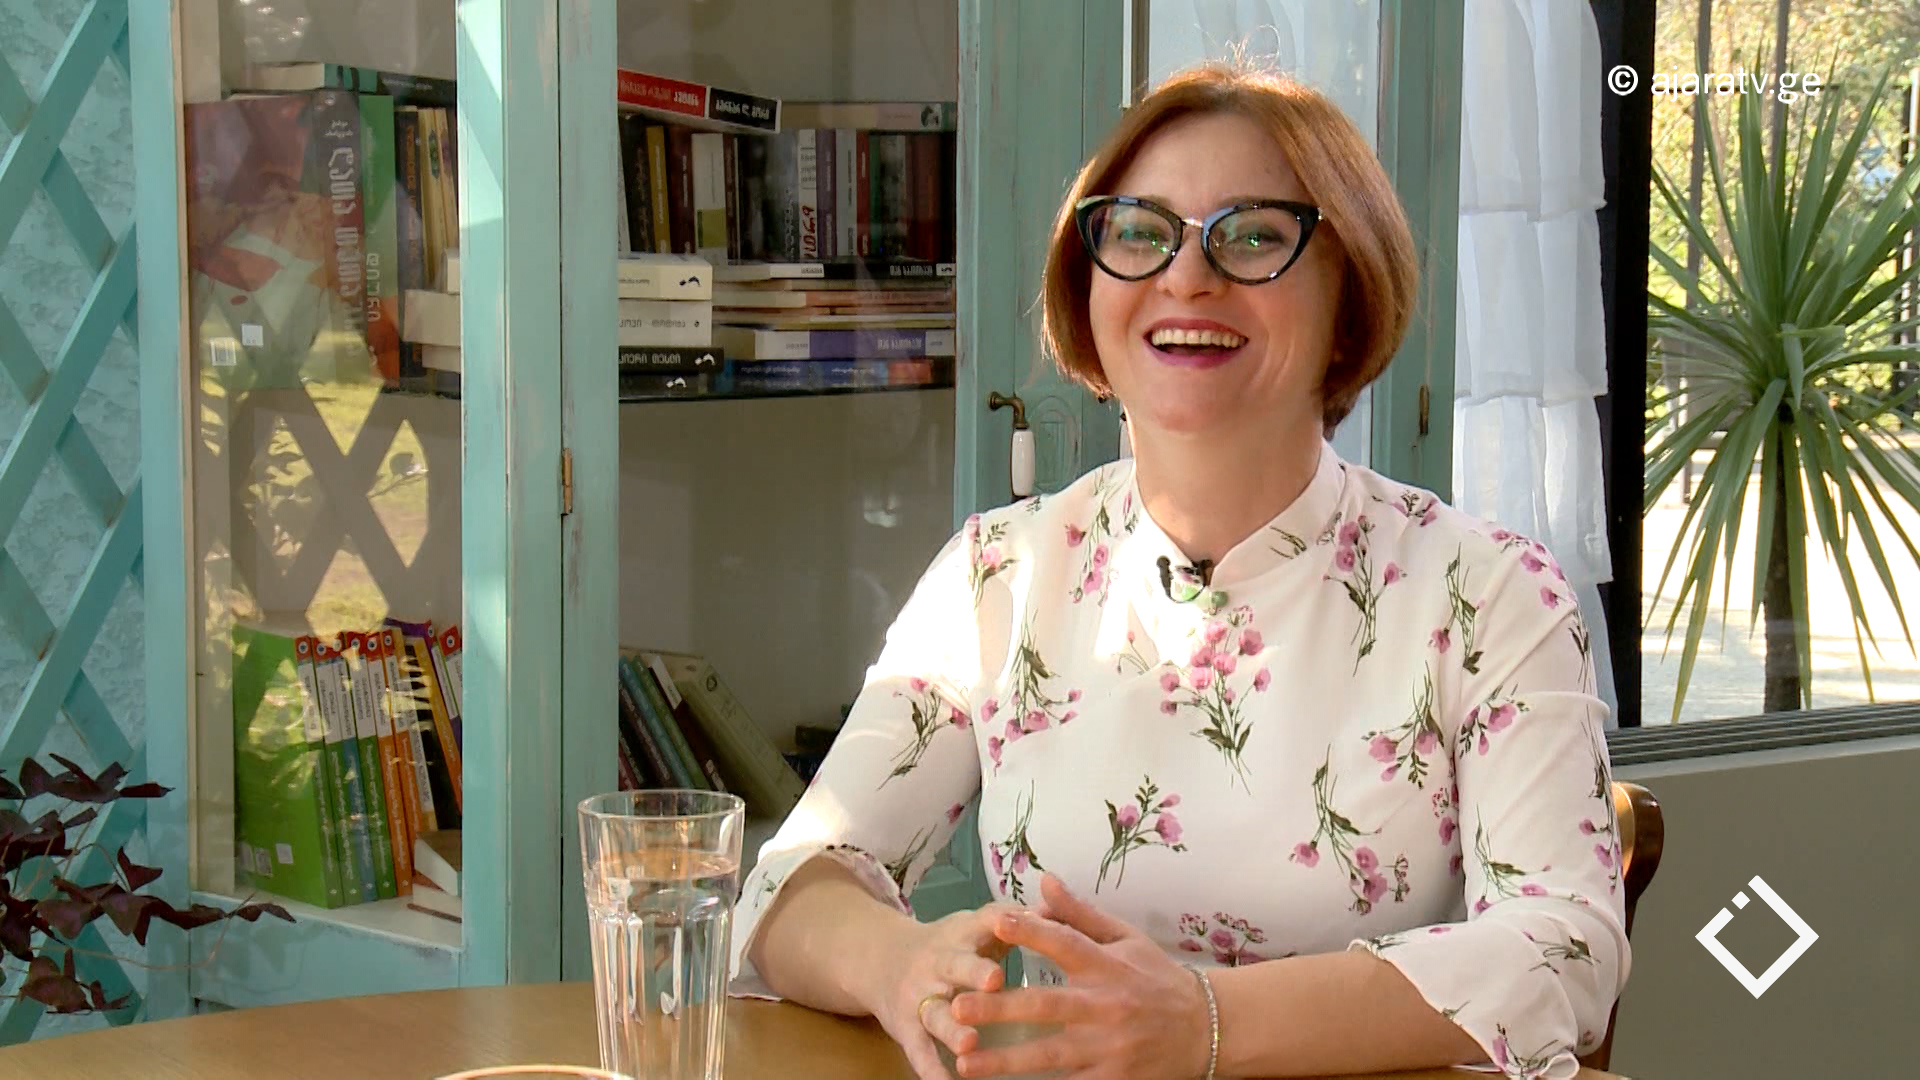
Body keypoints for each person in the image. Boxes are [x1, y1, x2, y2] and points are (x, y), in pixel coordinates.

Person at [727, 60, 1628, 1080]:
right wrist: (898, 966)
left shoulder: (1489, 593)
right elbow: (788, 888)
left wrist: (1204, 1023)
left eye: (1255, 236)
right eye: (1138, 232)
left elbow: (1566, 951)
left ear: (1351, 294)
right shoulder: (1001, 574)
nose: (1187, 276)